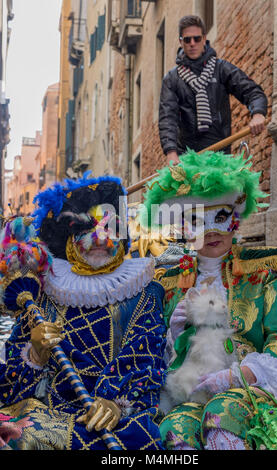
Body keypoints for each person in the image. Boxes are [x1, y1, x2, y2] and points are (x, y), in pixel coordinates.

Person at [140, 149, 277, 450]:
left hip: (253, 390)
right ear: (184, 228)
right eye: (199, 221)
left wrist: (244, 374)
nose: (211, 231)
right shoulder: (169, 283)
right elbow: (148, 354)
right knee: (174, 429)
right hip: (190, 391)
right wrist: (174, 342)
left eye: (220, 217)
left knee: (221, 413)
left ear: (235, 220)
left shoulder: (261, 270)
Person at [0, 174, 166, 450]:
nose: (100, 238)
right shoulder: (45, 292)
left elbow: (145, 356)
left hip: (115, 420)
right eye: (86, 229)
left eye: (109, 227)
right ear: (67, 238)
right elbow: (8, 383)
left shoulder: (144, 290)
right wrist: (35, 355)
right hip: (45, 411)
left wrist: (114, 400)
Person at [159, 15, 268, 164]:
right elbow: (167, 118)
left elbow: (252, 91)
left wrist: (258, 113)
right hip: (187, 158)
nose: (192, 44)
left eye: (196, 39)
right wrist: (171, 153)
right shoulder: (172, 79)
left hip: (221, 155)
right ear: (180, 41)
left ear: (204, 39)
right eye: (187, 39)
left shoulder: (221, 69)